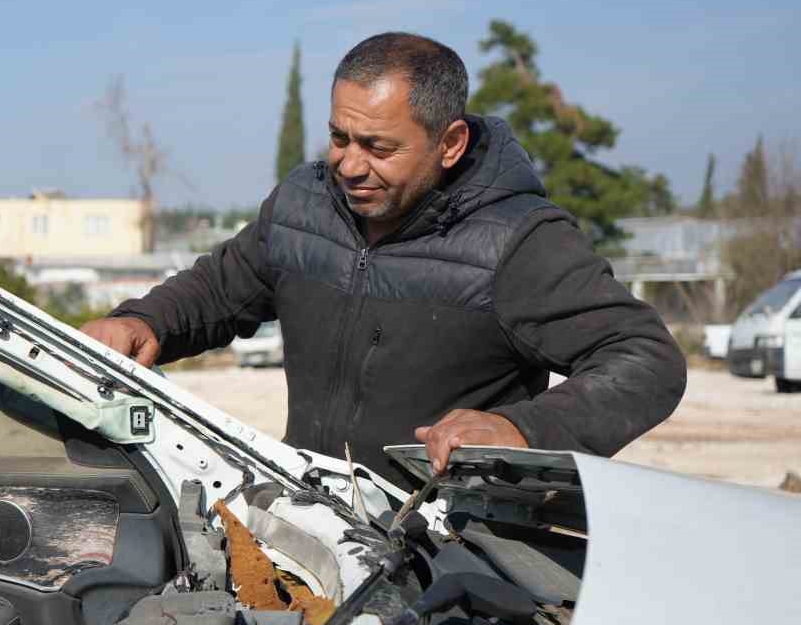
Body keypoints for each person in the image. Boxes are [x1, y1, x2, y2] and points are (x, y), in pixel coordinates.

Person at [82, 32, 686, 486]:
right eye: (339, 137)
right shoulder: (303, 205)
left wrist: (524, 430)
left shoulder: (518, 241)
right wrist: (145, 321)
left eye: (378, 147)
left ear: (450, 144)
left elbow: (646, 360)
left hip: (446, 552)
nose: (348, 164)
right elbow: (218, 288)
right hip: (309, 524)